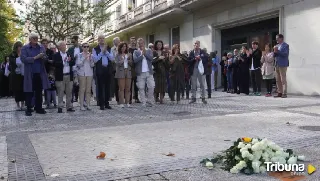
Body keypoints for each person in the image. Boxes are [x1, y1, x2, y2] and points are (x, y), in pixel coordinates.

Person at [21, 33, 50, 116]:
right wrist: (35, 58)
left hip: (39, 73)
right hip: (30, 73)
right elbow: (24, 59)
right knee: (29, 91)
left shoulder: (40, 47)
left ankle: (39, 108)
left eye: (36, 38)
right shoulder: (25, 48)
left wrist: (44, 57)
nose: (35, 39)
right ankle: (29, 108)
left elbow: (45, 58)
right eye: (34, 38)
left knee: (39, 92)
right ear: (30, 39)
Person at [92, 34, 114, 110]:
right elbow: (95, 60)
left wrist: (106, 52)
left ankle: (107, 103)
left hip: (107, 70)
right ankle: (101, 104)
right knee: (100, 87)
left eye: (103, 38)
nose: (101, 40)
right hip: (100, 70)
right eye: (100, 38)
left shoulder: (109, 48)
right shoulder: (95, 49)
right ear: (98, 40)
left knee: (108, 87)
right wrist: (102, 52)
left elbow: (112, 58)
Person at [53, 41, 75, 113]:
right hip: (60, 76)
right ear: (59, 47)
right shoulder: (56, 55)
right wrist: (63, 61)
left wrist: (70, 60)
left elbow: (73, 63)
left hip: (69, 75)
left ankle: (69, 107)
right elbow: (54, 64)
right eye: (62, 45)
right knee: (60, 92)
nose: (64, 47)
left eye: (65, 45)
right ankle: (60, 107)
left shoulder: (69, 54)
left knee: (69, 92)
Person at [133, 38, 155, 107]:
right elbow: (135, 61)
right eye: (139, 43)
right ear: (137, 44)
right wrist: (141, 55)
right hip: (140, 72)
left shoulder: (148, 50)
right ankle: (143, 102)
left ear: (144, 43)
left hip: (149, 71)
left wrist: (145, 54)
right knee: (141, 87)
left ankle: (149, 99)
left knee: (151, 86)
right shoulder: (136, 52)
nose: (140, 44)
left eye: (142, 43)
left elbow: (151, 59)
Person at [76, 42, 95, 111]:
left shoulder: (91, 55)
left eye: (87, 46)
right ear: (82, 47)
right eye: (84, 46)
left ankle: (88, 104)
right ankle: (81, 105)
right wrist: (84, 58)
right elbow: (78, 64)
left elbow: (92, 65)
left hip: (89, 74)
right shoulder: (79, 55)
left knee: (88, 90)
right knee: (82, 90)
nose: (86, 48)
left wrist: (90, 60)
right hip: (82, 74)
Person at [115, 42, 133, 108]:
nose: (124, 48)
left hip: (128, 72)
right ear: (120, 48)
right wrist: (122, 60)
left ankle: (127, 102)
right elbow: (117, 63)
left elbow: (132, 63)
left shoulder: (129, 54)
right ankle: (121, 102)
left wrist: (128, 60)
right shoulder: (118, 55)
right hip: (121, 72)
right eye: (122, 47)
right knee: (121, 88)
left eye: (125, 46)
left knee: (128, 88)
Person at [9, 41, 25, 110]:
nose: (20, 48)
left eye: (21, 46)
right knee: (17, 91)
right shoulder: (12, 55)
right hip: (15, 76)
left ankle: (23, 104)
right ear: (16, 47)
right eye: (19, 47)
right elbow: (13, 63)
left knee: (23, 90)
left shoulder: (23, 54)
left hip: (22, 75)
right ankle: (18, 105)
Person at [274, 34, 289, 98]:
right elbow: (275, 55)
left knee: (283, 79)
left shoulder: (285, 45)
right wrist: (274, 53)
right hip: (277, 64)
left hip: (283, 64)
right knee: (277, 79)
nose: (276, 39)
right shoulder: (276, 46)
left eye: (277, 38)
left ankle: (284, 93)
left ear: (281, 38)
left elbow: (285, 54)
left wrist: (278, 51)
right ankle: (279, 92)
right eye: (276, 38)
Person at [41, 38, 54, 105]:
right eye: (43, 43)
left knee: (49, 86)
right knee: (42, 86)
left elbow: (52, 61)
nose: (45, 45)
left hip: (49, 70)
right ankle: (44, 100)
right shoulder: (39, 51)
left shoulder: (50, 52)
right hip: (41, 70)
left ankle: (50, 100)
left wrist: (47, 60)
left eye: (46, 43)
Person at [128, 37, 141, 104]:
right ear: (130, 42)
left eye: (134, 41)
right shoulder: (128, 50)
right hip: (130, 68)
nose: (133, 42)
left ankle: (136, 97)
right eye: (132, 41)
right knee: (129, 84)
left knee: (136, 84)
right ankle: (129, 98)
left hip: (136, 68)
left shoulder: (137, 50)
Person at [111, 37, 120, 104]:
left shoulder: (121, 48)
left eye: (119, 41)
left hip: (122, 68)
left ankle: (122, 98)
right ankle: (118, 99)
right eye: (117, 41)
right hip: (115, 68)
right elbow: (112, 58)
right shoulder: (112, 49)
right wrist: (117, 61)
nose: (118, 42)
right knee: (117, 84)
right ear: (114, 42)